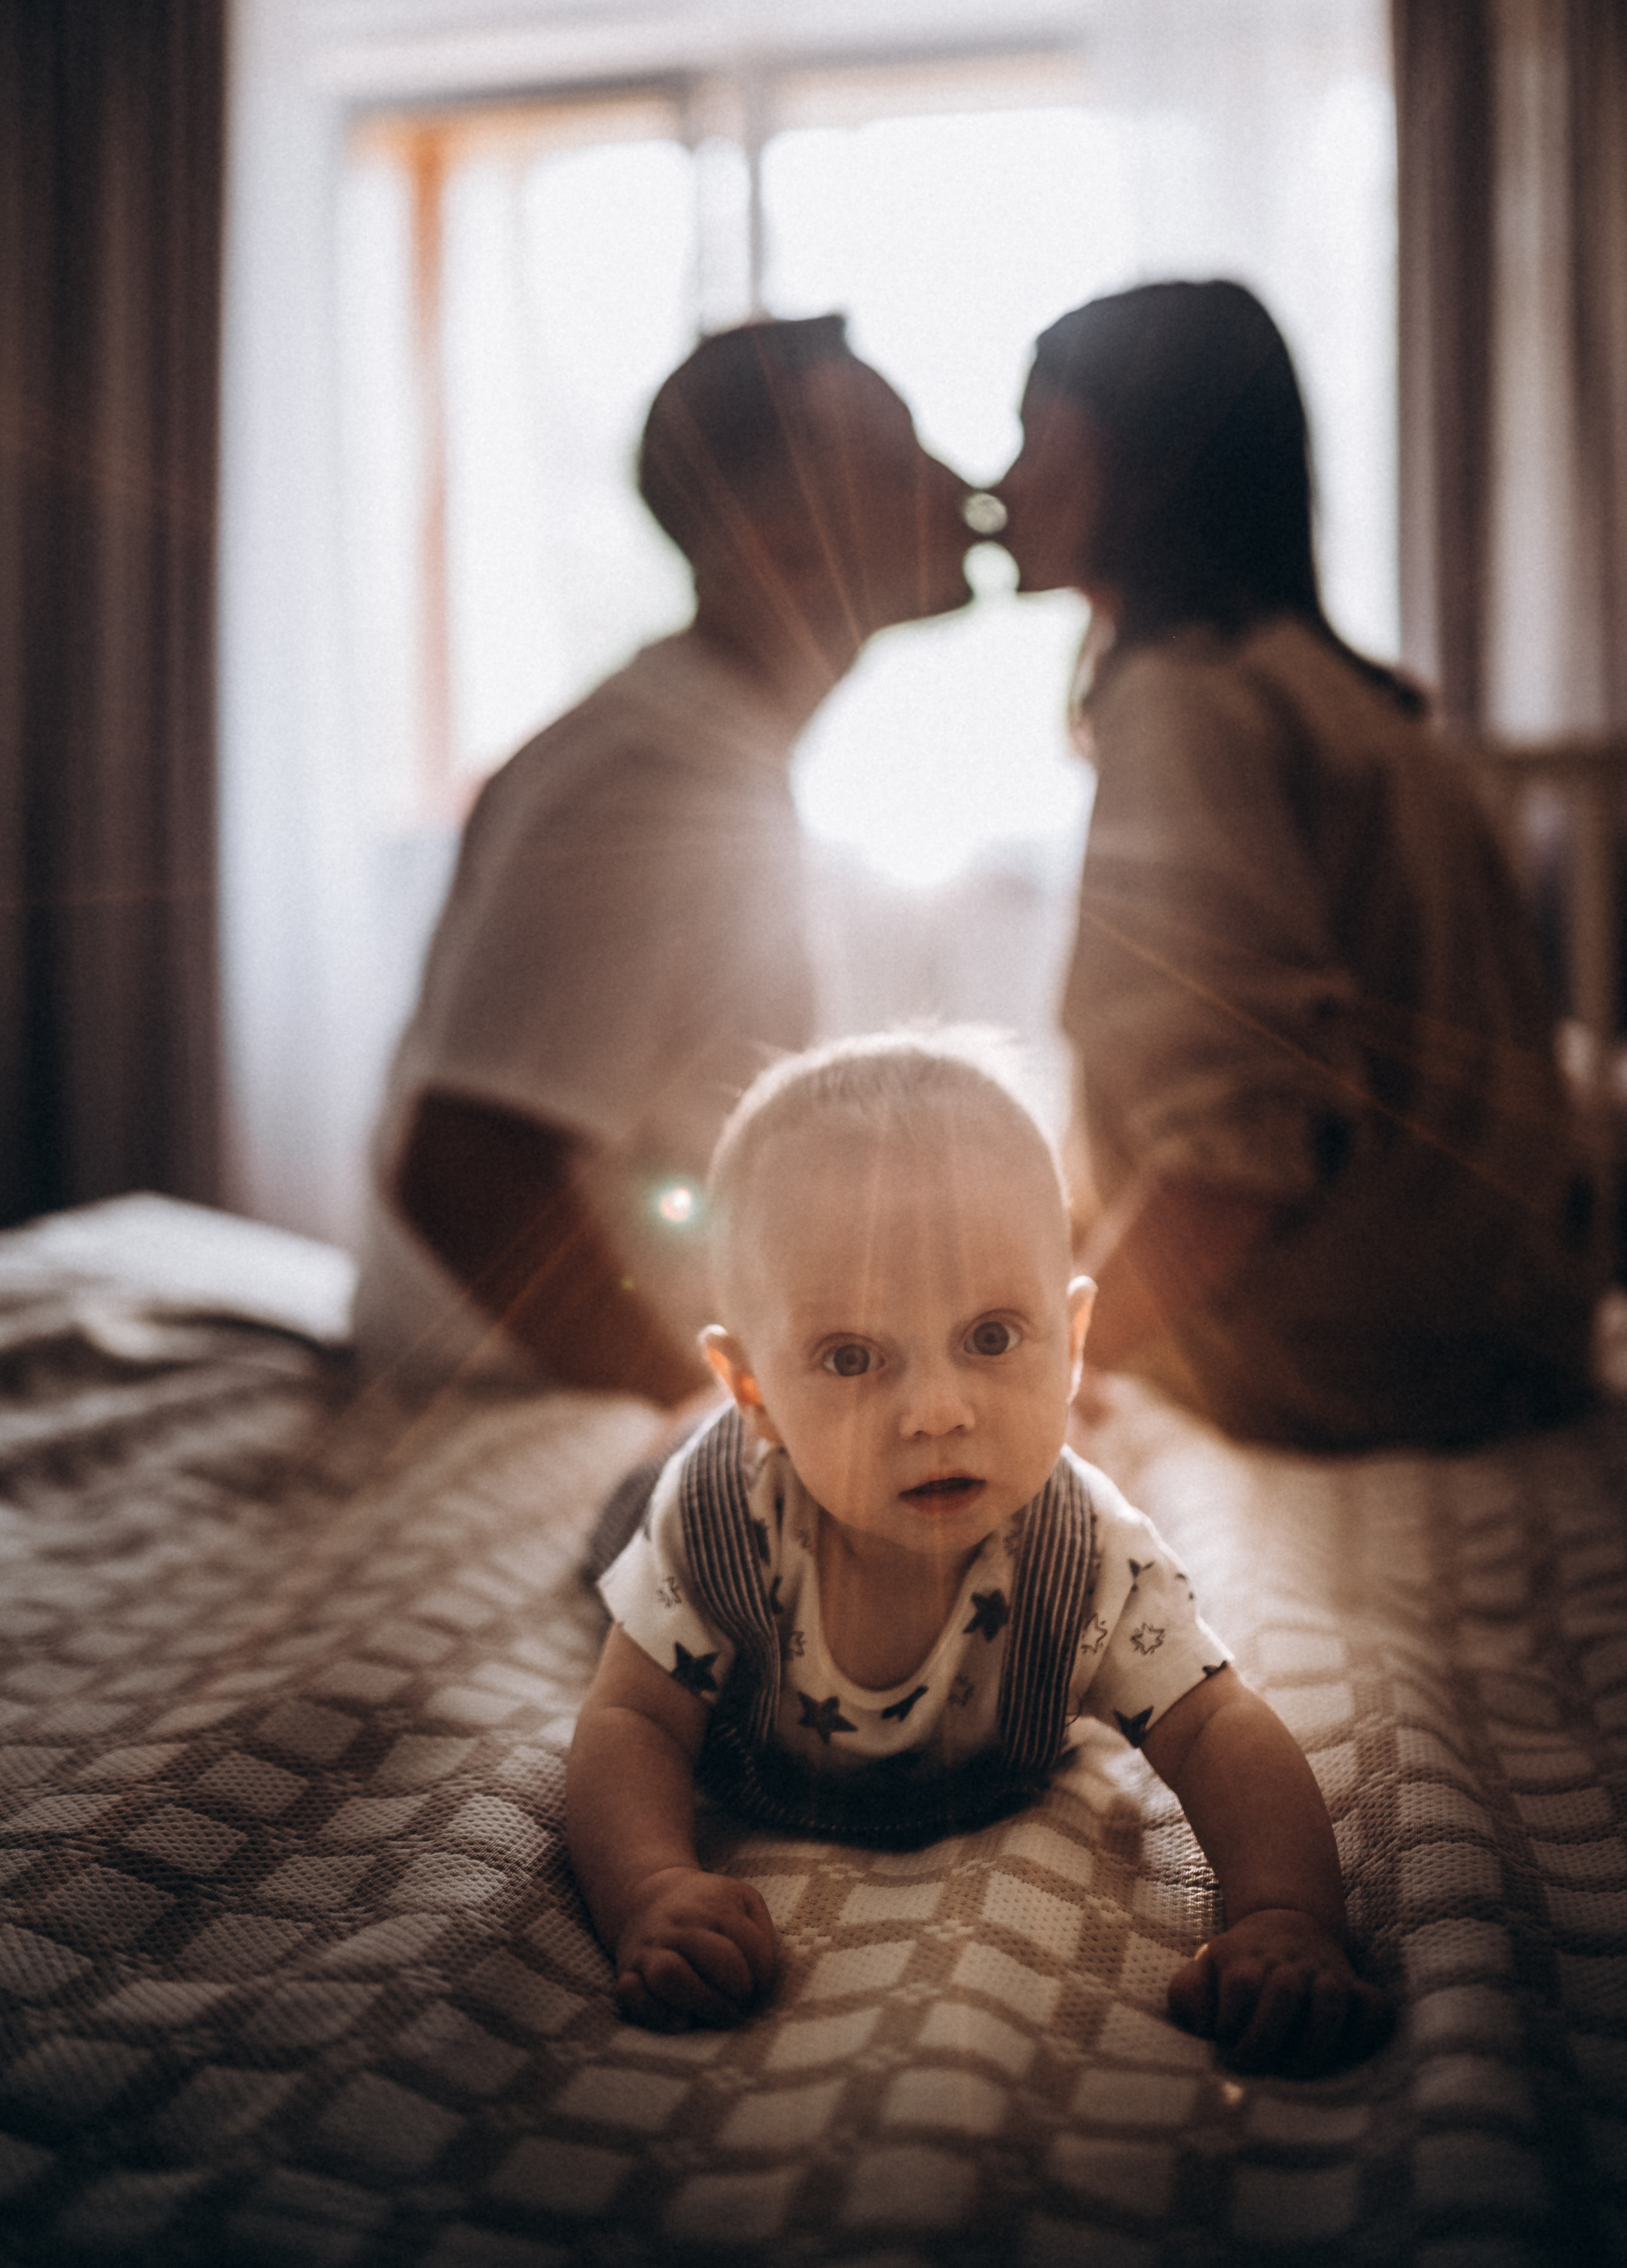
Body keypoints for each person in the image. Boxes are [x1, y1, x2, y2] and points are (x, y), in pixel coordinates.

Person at [568, 1032, 1392, 2075]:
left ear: (1074, 1340)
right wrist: (651, 1889)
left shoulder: (1083, 1556)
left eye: (993, 1338)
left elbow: (1216, 1724)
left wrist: (1287, 1916)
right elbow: (632, 1720)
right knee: (641, 1501)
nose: (939, 1411)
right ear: (758, 1391)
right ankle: (692, 1414)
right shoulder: (718, 1526)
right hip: (701, 1489)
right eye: (852, 1357)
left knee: (1056, 1466)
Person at [995, 279, 1600, 1449]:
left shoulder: (1184, 700)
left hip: (1349, 1363)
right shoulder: (1341, 695)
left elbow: (1232, 1157)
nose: (1006, 481)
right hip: (1507, 1332)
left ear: (1137, 457)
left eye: (1033, 433)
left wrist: (1045, 1372)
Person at [352, 317, 974, 1402]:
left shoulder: (714, 748)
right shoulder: (649, 778)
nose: (962, 488)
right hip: (520, 1395)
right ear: (777, 545)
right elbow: (463, 1169)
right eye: (896, 466)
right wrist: (713, 1414)